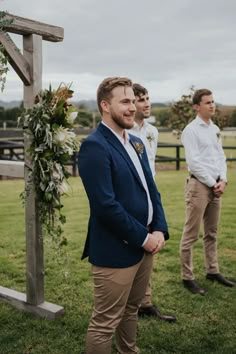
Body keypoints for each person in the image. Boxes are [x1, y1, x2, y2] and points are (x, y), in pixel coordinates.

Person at [78, 77, 169, 354]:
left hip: (146, 246)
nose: (133, 107)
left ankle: (129, 351)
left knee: (131, 309)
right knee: (106, 321)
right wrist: (144, 238)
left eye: (134, 100)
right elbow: (105, 206)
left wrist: (159, 229)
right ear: (105, 106)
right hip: (115, 250)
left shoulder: (137, 143)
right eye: (125, 101)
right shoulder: (95, 146)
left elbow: (152, 190)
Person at [180, 88, 235, 295]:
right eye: (207, 102)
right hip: (199, 186)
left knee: (211, 233)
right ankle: (187, 277)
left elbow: (220, 157)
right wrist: (213, 183)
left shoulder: (215, 129)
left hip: (216, 186)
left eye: (213, 101)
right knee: (191, 234)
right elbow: (194, 163)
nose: (212, 105)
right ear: (197, 106)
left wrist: (224, 180)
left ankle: (213, 271)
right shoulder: (191, 130)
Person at [129, 83, 176, 322]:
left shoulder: (152, 132)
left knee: (152, 246)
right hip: (130, 197)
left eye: (148, 98)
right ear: (131, 103)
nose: (146, 103)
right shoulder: (125, 131)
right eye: (141, 99)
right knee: (132, 244)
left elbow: (152, 166)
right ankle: (128, 304)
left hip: (150, 194)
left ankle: (145, 303)